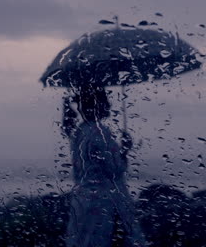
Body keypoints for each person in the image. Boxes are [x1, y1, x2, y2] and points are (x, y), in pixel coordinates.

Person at [61, 84, 146, 247]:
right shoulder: (100, 132)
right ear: (96, 105)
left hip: (83, 199)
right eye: (105, 100)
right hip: (104, 203)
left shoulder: (80, 130)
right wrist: (125, 150)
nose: (109, 104)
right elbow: (115, 169)